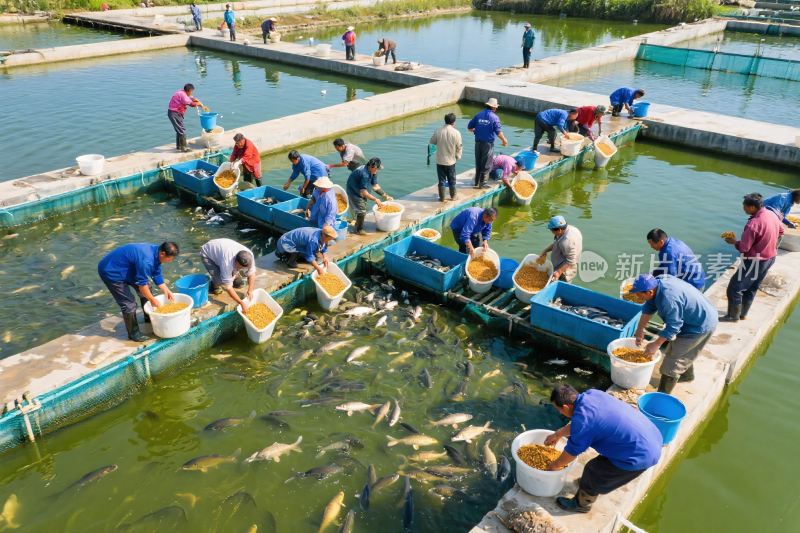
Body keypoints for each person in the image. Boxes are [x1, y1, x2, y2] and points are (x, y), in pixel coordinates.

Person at [544, 385, 662, 513]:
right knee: (598, 468)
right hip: (652, 436)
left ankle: (582, 504)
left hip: (642, 454)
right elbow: (582, 421)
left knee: (594, 471)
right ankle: (588, 485)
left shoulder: (583, 422)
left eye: (559, 410)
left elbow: (571, 452)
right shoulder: (592, 394)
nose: (560, 413)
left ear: (566, 407)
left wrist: (554, 465)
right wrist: (558, 434)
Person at [630, 273, 718, 392]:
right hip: (691, 316)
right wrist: (640, 329)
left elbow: (674, 326)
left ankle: (662, 396)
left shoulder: (669, 299)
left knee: (672, 362)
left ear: (649, 292)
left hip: (700, 324)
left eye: (639, 295)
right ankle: (687, 376)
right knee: (682, 352)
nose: (638, 297)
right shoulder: (658, 283)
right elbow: (649, 307)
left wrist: (656, 344)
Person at [97, 242, 179, 342]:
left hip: (127, 267)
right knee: (129, 304)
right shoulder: (147, 260)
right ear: (162, 253)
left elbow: (156, 274)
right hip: (111, 271)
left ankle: (148, 317)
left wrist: (167, 290)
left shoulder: (156, 253)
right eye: (170, 258)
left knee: (147, 287)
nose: (171, 261)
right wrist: (152, 299)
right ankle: (133, 333)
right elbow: (142, 286)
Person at [721, 193, 783, 322]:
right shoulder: (772, 215)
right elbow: (781, 231)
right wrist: (770, 246)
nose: (743, 209)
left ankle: (733, 316)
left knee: (734, 288)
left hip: (754, 262)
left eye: (744, 206)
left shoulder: (753, 224)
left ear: (752, 208)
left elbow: (744, 248)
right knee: (752, 287)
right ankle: (743, 314)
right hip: (770, 258)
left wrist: (734, 242)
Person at [200, 238, 255, 312]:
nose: (243, 269)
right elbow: (228, 287)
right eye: (241, 267)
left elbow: (251, 273)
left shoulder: (249, 256)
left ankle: (234, 275)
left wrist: (250, 290)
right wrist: (241, 302)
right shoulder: (227, 263)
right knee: (220, 281)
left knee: (238, 283)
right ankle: (214, 285)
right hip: (207, 254)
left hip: (222, 250)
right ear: (236, 262)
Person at [467, 98, 508, 189]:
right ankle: (483, 183)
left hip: (478, 143)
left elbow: (469, 127)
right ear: (493, 108)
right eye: (496, 107)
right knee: (487, 163)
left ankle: (476, 182)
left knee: (478, 162)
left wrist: (477, 131)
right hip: (488, 144)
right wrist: (504, 140)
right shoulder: (494, 117)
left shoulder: (478, 115)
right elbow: (498, 132)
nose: (496, 109)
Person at [346, 157, 392, 235]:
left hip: (361, 190)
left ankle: (356, 221)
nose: (377, 171)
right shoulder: (364, 174)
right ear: (371, 167)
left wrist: (385, 195)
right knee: (362, 210)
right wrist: (375, 199)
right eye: (376, 169)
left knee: (363, 205)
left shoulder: (373, 171)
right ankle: (358, 230)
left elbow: (375, 186)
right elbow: (363, 192)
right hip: (353, 190)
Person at [428, 112, 463, 202]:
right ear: (453, 122)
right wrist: (458, 156)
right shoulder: (456, 133)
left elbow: (432, 142)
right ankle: (453, 196)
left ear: (445, 121)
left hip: (440, 161)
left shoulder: (438, 131)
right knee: (452, 180)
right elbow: (459, 146)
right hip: (451, 161)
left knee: (442, 180)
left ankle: (442, 198)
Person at [539, 215, 582, 283]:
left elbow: (571, 262)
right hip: (560, 265)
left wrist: (559, 272)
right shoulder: (571, 229)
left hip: (565, 272)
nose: (551, 232)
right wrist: (545, 250)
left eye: (552, 230)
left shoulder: (567, 241)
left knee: (560, 286)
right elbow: (556, 243)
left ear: (559, 230)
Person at [167, 83, 207, 153]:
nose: (192, 93)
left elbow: (191, 98)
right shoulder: (183, 96)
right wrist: (199, 104)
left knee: (179, 130)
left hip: (174, 113)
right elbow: (191, 104)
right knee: (181, 130)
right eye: (192, 91)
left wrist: (197, 100)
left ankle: (179, 146)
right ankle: (184, 148)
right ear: (189, 90)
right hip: (175, 113)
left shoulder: (182, 92)